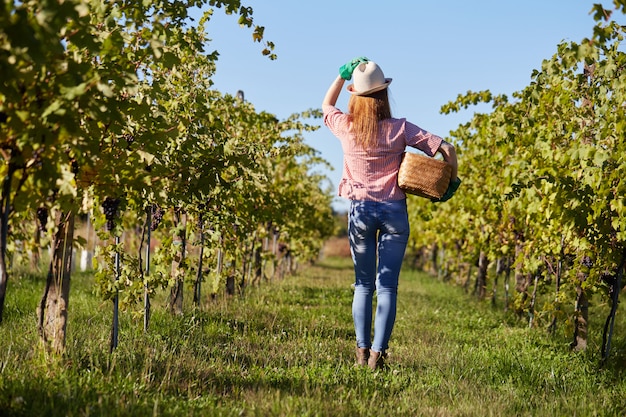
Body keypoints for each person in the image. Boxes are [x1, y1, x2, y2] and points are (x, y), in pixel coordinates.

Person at [322, 58, 460, 370]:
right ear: (384, 95)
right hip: (394, 212)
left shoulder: (346, 127)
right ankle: (377, 356)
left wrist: (341, 77)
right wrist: (450, 184)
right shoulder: (400, 129)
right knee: (387, 287)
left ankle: (360, 352)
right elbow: (447, 149)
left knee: (363, 285)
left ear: (355, 96)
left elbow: (326, 105)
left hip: (359, 210)